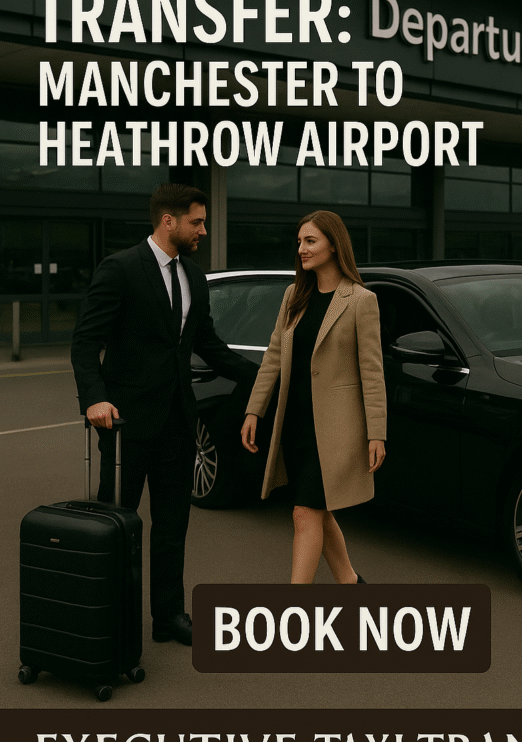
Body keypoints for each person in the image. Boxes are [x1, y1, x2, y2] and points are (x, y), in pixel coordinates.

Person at [71, 183, 257, 645]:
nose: (203, 230)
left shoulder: (194, 276)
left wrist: (262, 377)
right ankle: (110, 622)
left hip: (178, 422)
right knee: (118, 525)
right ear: (168, 221)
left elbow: (206, 344)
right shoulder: (119, 269)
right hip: (125, 424)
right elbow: (84, 342)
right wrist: (94, 397)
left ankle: (168, 617)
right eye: (196, 221)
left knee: (173, 525)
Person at [241, 211, 386, 584]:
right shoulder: (294, 294)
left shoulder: (360, 301)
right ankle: (352, 583)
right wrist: (254, 410)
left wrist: (376, 433)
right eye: (300, 242)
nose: (301, 249)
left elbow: (372, 372)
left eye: (311, 241)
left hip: (337, 431)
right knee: (319, 511)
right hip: (297, 425)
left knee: (304, 514)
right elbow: (273, 355)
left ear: (334, 245)